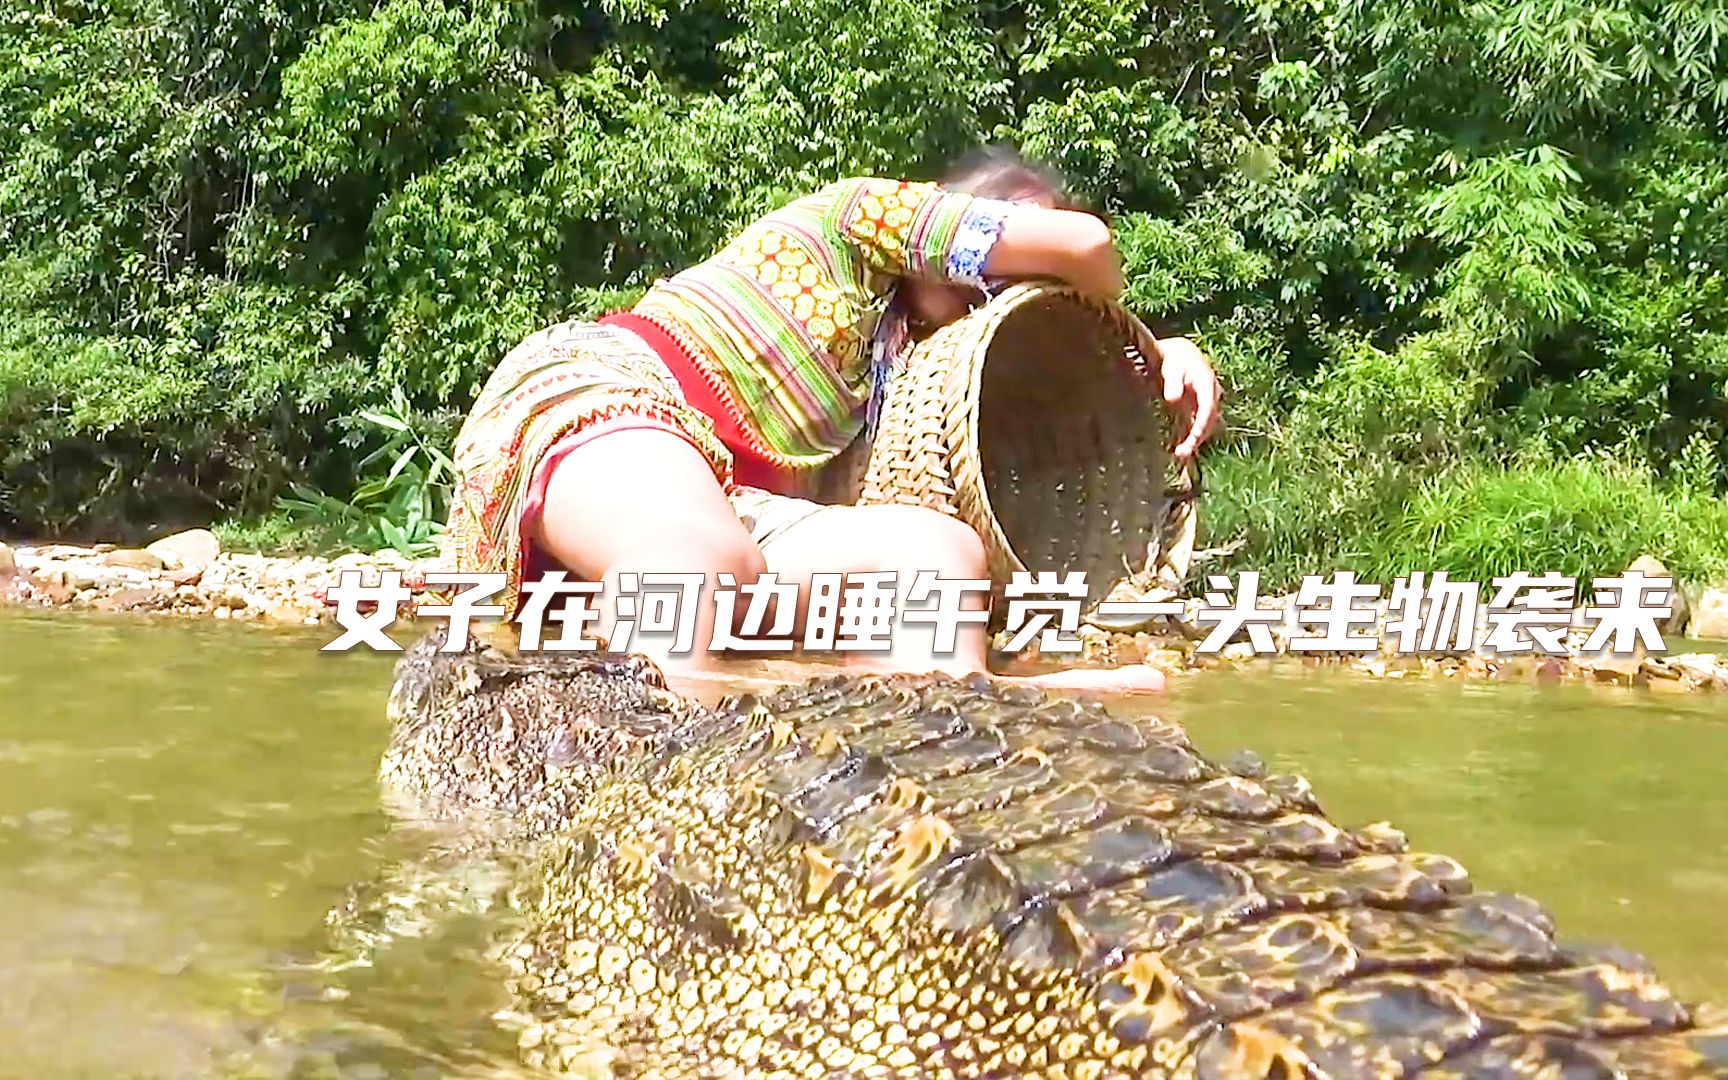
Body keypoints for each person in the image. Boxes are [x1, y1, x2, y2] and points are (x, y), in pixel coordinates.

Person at [441, 147, 1221, 692]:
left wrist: (1141, 366)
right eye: (1013, 242)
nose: (1011, 274)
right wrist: (1145, 341)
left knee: (938, 559)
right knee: (698, 556)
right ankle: (653, 806)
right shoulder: (856, 218)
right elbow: (1086, 242)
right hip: (610, 399)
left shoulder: (914, 374)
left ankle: (962, 713)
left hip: (734, 511)